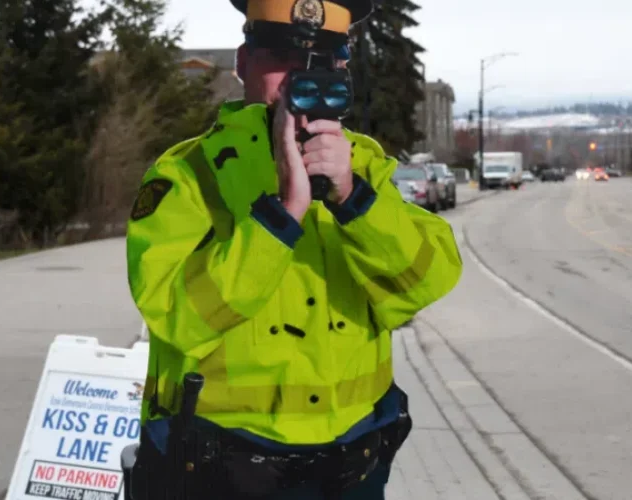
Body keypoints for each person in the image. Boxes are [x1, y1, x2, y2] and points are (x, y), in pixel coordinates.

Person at [124, 0, 462, 497]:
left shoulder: (364, 168)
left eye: (325, 59)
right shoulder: (187, 174)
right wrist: (281, 216)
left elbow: (428, 280)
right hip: (219, 466)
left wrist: (354, 199)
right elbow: (174, 315)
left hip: (353, 464)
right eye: (283, 55)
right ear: (243, 64)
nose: (301, 77)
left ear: (343, 70)